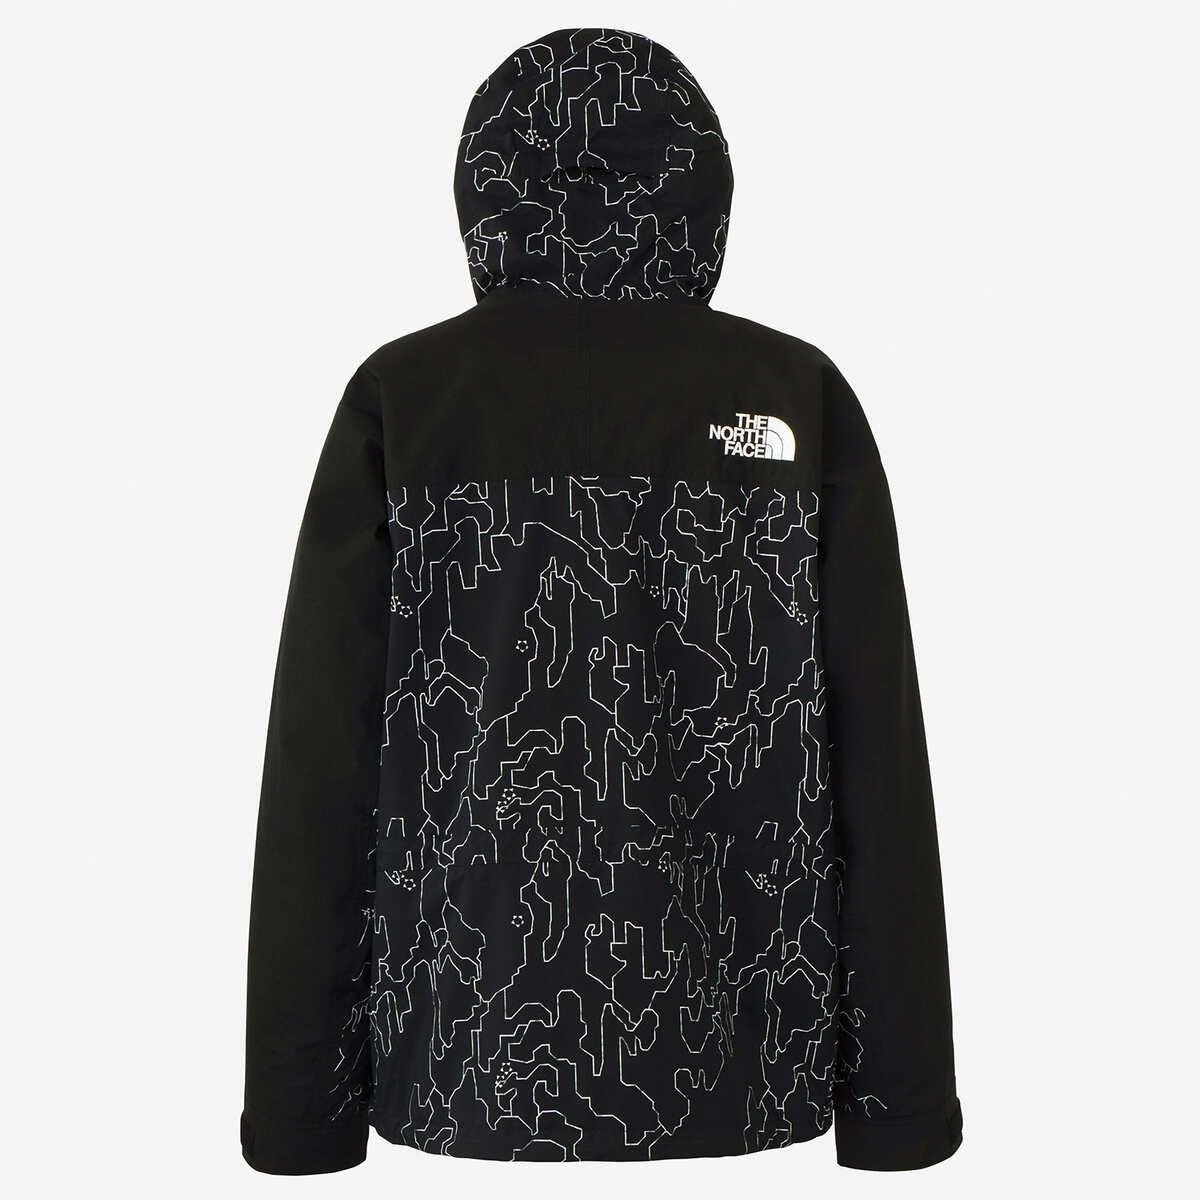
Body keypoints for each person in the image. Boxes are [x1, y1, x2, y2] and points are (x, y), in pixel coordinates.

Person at [241, 25, 963, 1173]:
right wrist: (900, 1109)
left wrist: (299, 1115)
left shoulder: (409, 399)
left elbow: (322, 777)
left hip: (462, 1067)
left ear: (486, 189)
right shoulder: (792, 394)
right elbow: (878, 767)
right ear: (702, 190)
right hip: (750, 1081)